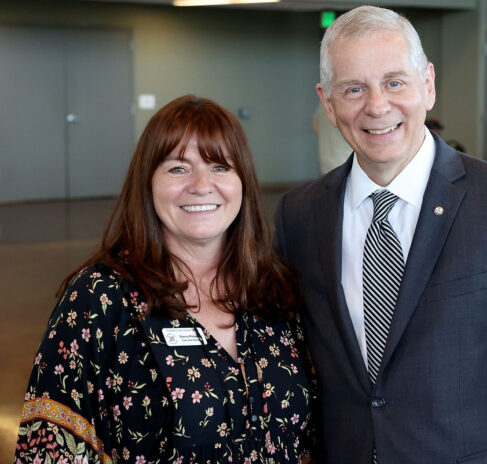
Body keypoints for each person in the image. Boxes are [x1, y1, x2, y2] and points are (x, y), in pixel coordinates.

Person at [274, 6, 487, 464]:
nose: (377, 106)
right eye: (353, 89)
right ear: (328, 103)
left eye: (394, 82)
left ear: (428, 83)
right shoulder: (299, 215)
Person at [15, 95, 317, 463]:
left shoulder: (273, 290)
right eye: (178, 168)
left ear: (244, 182)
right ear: (148, 183)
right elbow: (52, 448)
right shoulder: (99, 299)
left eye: (221, 166)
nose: (202, 185)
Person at [313, 102, 353, 174]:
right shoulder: (350, 102)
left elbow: (315, 126)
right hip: (347, 162)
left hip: (327, 163)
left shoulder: (323, 102)